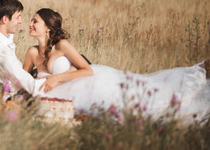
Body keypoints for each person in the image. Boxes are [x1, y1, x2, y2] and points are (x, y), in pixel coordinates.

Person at [24, 8, 210, 123]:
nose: (30, 24)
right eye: (31, 21)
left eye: (35, 21)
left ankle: (188, 83)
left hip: (89, 84)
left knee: (136, 100)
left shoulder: (62, 45)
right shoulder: (32, 52)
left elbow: (86, 69)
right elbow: (21, 78)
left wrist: (56, 77)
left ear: (47, 27)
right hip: (65, 98)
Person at [0, 0, 45, 100]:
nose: (21, 21)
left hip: (15, 90)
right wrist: (48, 84)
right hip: (11, 98)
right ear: (5, 19)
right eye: (17, 17)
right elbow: (21, 78)